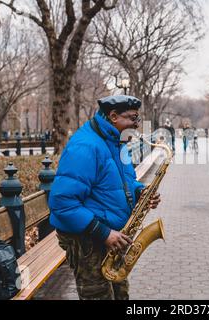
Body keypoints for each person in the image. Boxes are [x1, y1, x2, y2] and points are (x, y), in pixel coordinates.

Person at [48, 95, 161, 300]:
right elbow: (62, 202)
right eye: (132, 119)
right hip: (89, 241)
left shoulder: (116, 142)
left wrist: (139, 192)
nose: (136, 125)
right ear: (113, 116)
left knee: (120, 295)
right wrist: (103, 233)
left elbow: (124, 181)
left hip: (110, 237)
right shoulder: (85, 147)